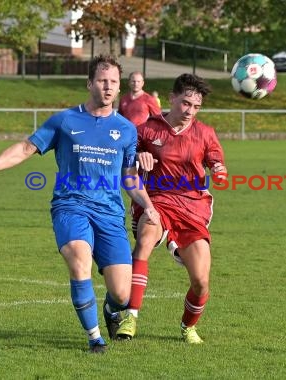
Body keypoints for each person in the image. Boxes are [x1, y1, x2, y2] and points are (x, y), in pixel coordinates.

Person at [0, 54, 160, 353]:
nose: (108, 86)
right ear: (90, 83)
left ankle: (109, 311)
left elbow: (129, 178)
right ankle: (95, 338)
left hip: (109, 212)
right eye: (102, 80)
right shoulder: (65, 120)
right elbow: (26, 148)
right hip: (70, 206)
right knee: (79, 260)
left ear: (119, 88)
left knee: (121, 293)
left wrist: (148, 203)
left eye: (113, 82)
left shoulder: (127, 130)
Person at [114, 73, 227, 344]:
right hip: (156, 200)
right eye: (185, 103)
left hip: (191, 207)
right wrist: (138, 156)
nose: (190, 111)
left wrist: (219, 168)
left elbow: (215, 159)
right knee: (144, 240)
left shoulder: (205, 133)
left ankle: (188, 326)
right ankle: (130, 316)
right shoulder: (147, 130)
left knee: (201, 281)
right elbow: (125, 165)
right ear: (172, 98)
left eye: (196, 106)